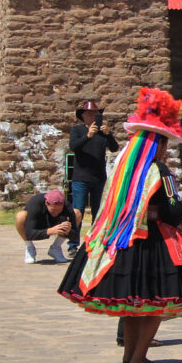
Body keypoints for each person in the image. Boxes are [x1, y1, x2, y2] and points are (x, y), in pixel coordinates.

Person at [58, 87, 182, 363]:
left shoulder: (124, 170)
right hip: (153, 243)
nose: (165, 149)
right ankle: (139, 358)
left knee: (133, 305)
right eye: (164, 143)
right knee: (155, 303)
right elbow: (172, 208)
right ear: (158, 144)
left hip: (124, 243)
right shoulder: (160, 171)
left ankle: (129, 357)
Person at [69, 100, 119, 255]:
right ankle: (73, 244)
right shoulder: (77, 130)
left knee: (98, 212)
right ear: (83, 116)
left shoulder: (102, 133)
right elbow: (73, 147)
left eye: (95, 114)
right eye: (89, 114)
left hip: (98, 178)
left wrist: (109, 135)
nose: (92, 117)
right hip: (80, 178)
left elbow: (114, 148)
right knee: (78, 211)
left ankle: (95, 241)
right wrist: (88, 136)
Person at [15, 190, 80, 264]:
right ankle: (29, 247)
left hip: (56, 223)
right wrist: (49, 231)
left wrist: (69, 231)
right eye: (53, 210)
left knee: (77, 213)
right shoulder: (35, 204)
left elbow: (75, 236)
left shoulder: (66, 206)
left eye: (59, 210)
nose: (56, 212)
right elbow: (29, 234)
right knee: (20, 216)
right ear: (47, 203)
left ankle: (56, 248)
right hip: (39, 222)